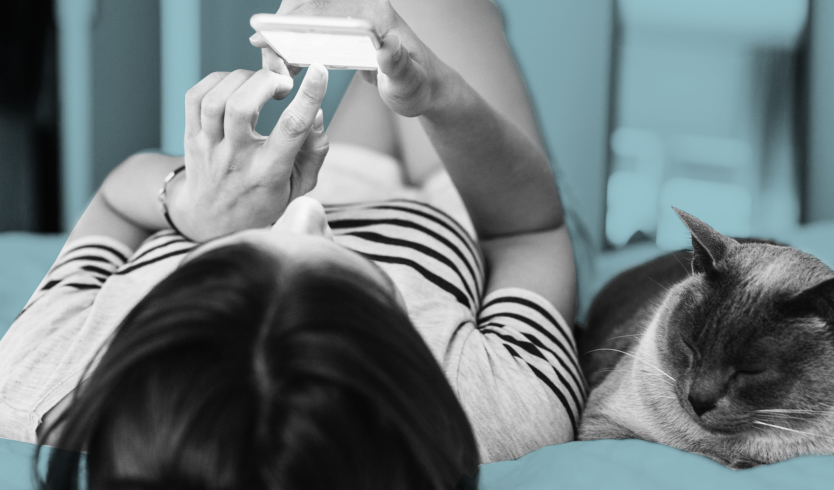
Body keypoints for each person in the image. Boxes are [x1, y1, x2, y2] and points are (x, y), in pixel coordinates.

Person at [0, 0, 582, 488]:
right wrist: (441, 99)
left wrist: (191, 205)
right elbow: (529, 231)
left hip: (325, 173)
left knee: (381, 38)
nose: (304, 211)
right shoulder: (488, 416)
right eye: (354, 279)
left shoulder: (38, 387)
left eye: (228, 260)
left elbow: (111, 201)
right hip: (461, 207)